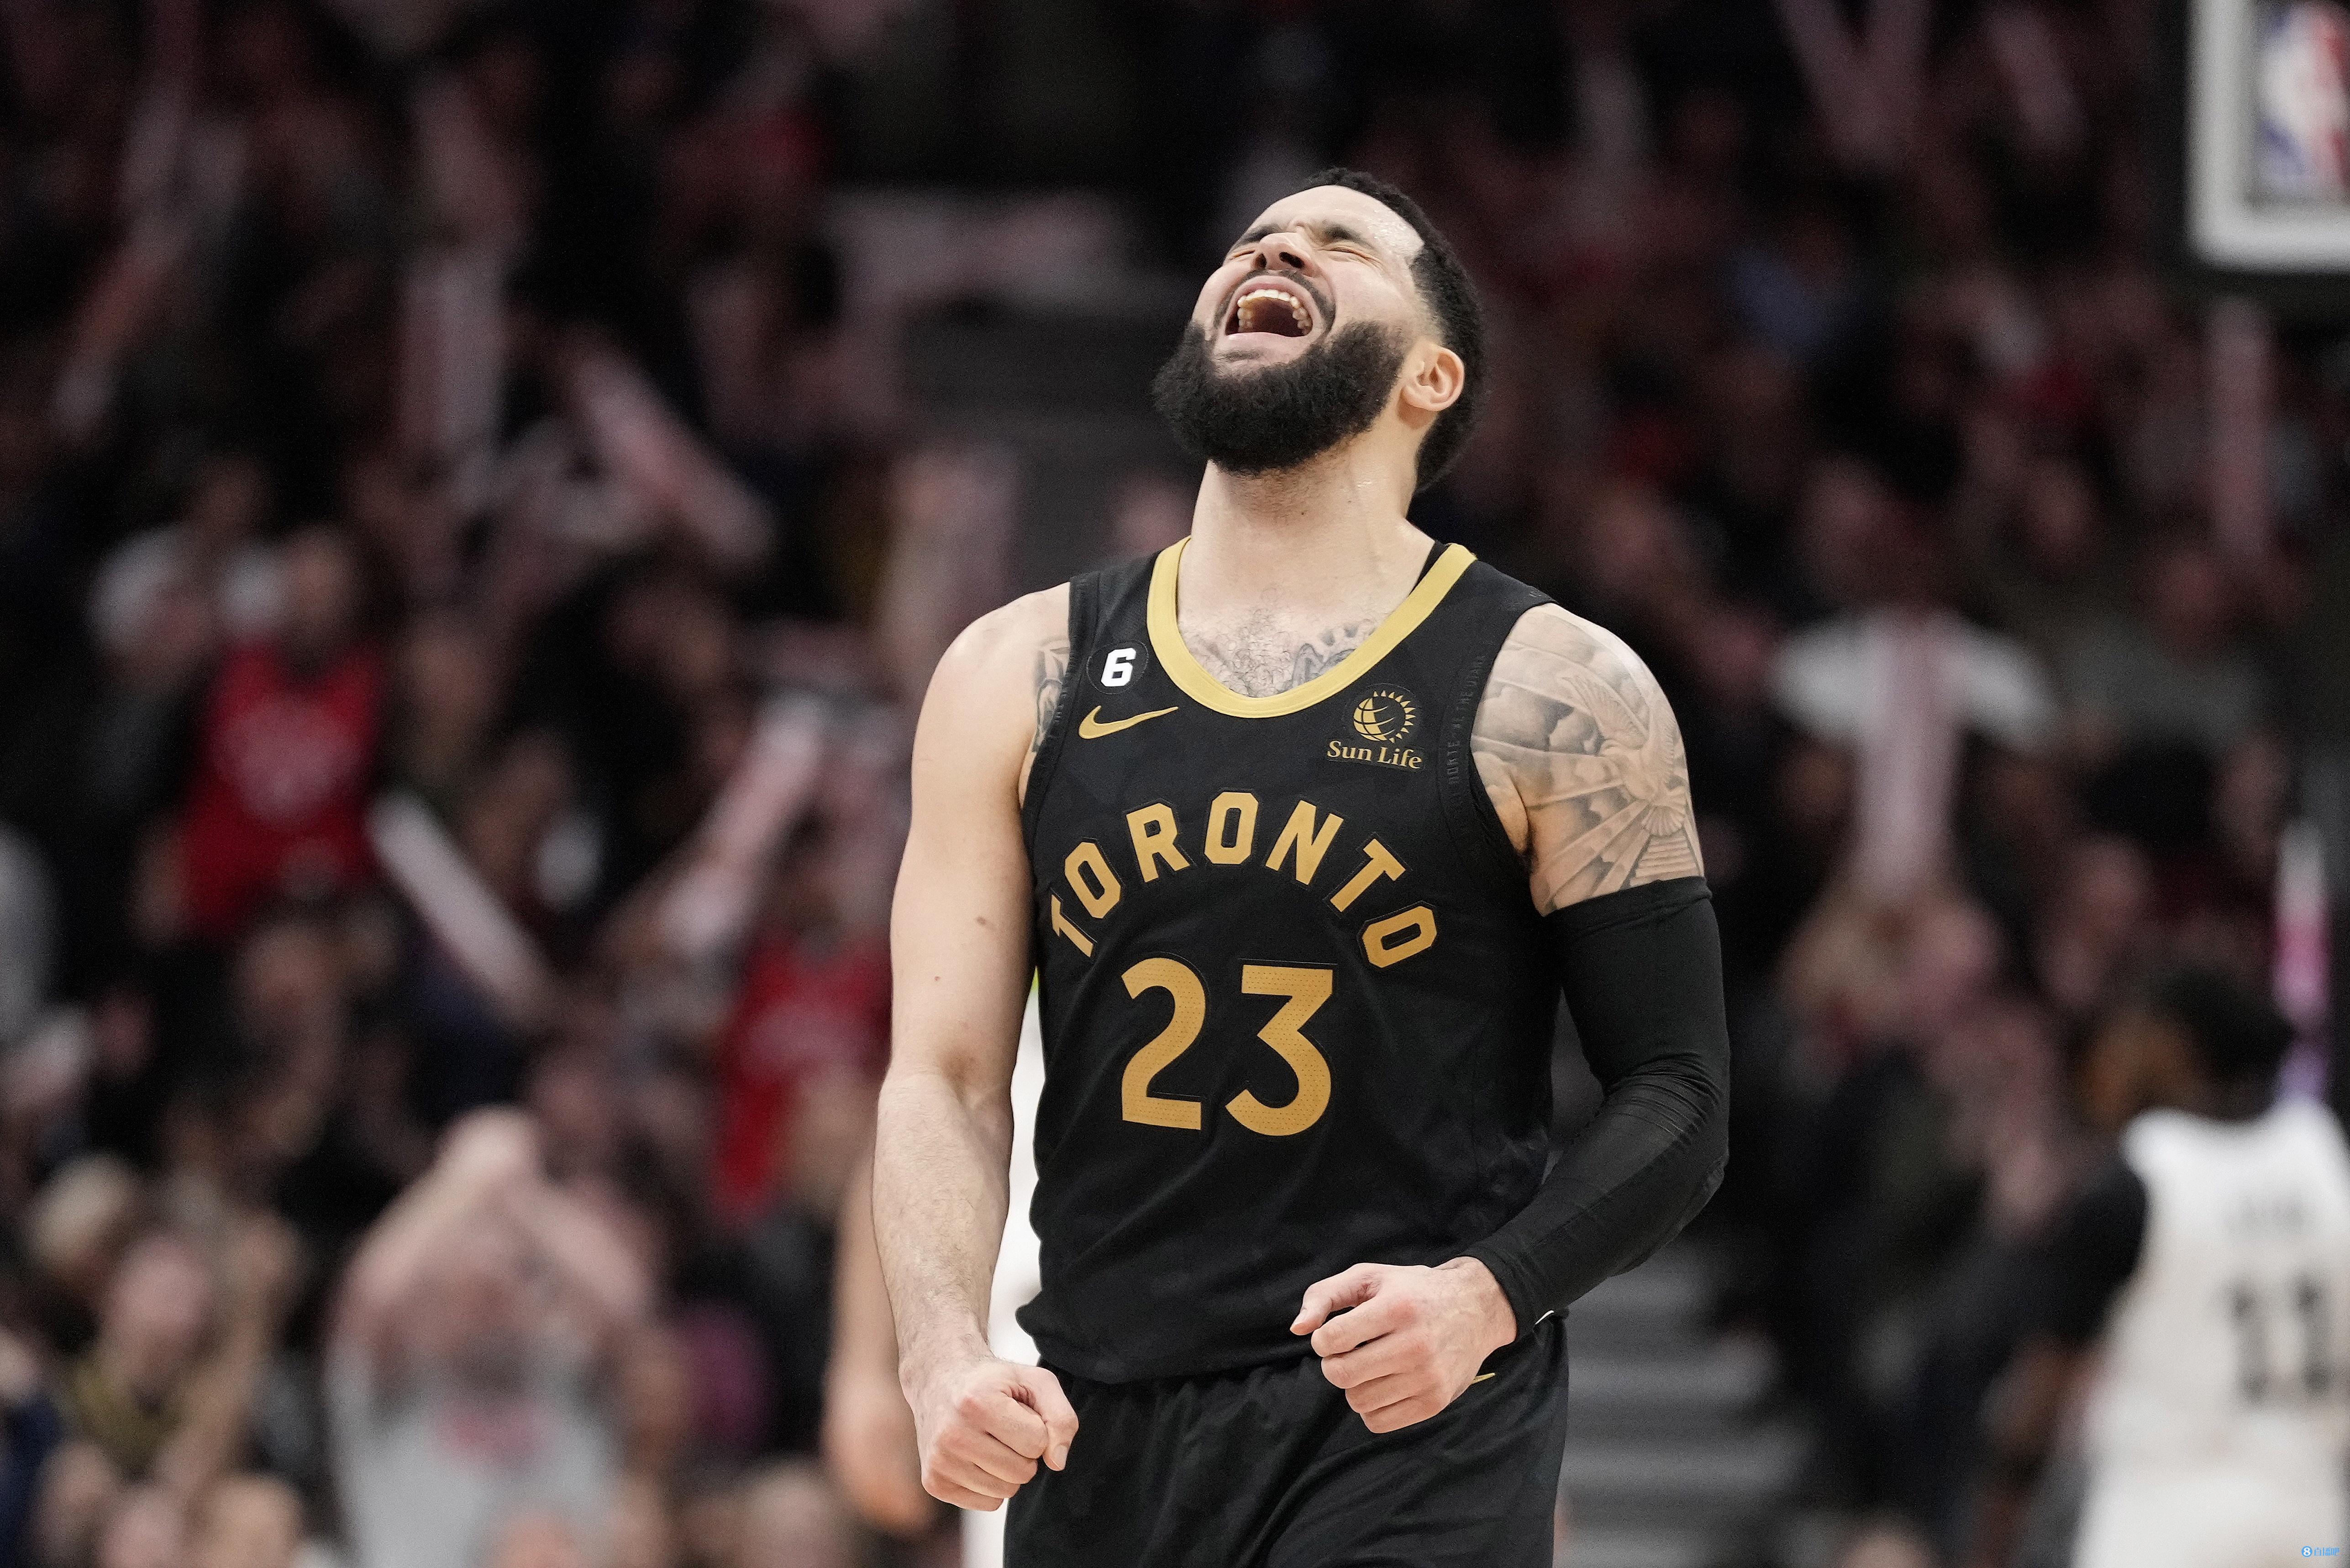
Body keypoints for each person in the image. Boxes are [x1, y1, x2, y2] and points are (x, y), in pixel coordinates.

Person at [872, 168, 1732, 1566]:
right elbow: (948, 1077)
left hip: (1403, 1424)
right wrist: (936, 1353)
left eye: (1342, 245)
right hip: (1103, 1425)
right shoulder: (1015, 670)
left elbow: (1680, 1096)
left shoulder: (1555, 689)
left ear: (1431, 376)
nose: (1274, 252)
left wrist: (1486, 1297)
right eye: (1255, 239)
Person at [1969, 967, 2350, 1568]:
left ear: (2172, 1046)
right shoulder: (2325, 1154)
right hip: (2311, 1530)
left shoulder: (2137, 1180)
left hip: (2172, 1522)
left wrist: (1992, 1537)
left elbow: (2042, 1396)